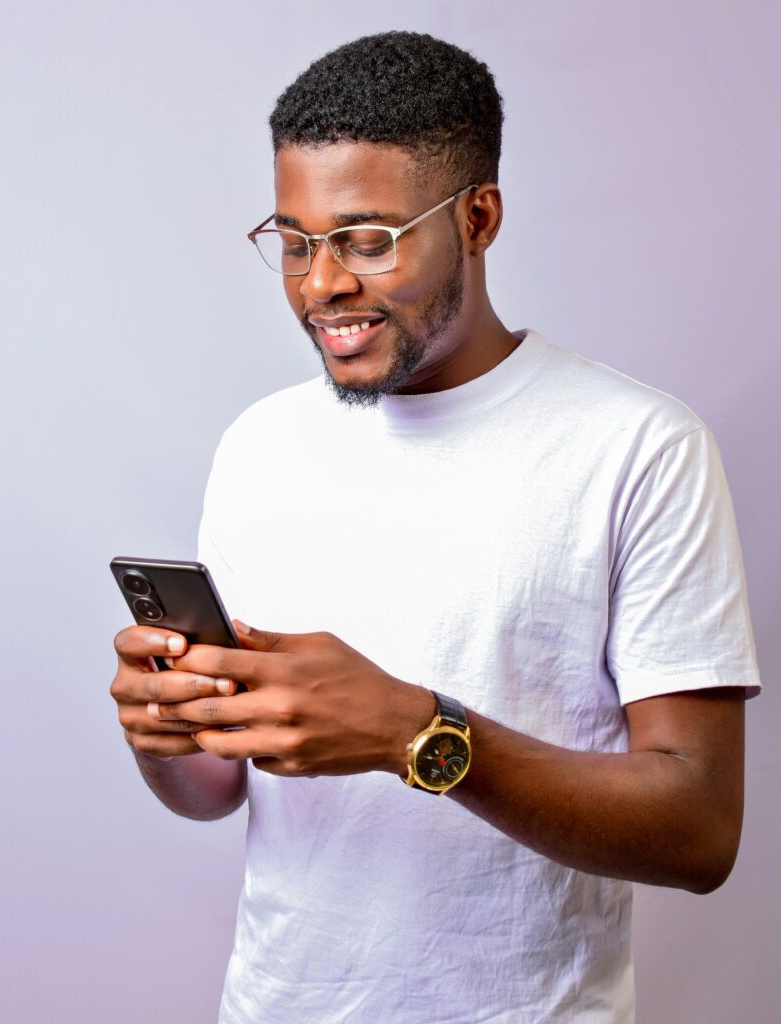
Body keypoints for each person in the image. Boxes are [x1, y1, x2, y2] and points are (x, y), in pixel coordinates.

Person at [110, 31, 762, 1024]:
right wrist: (164, 733)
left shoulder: (637, 446)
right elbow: (212, 791)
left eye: (367, 238)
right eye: (293, 239)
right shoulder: (258, 445)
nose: (318, 284)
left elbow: (698, 829)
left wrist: (414, 730)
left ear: (478, 217)